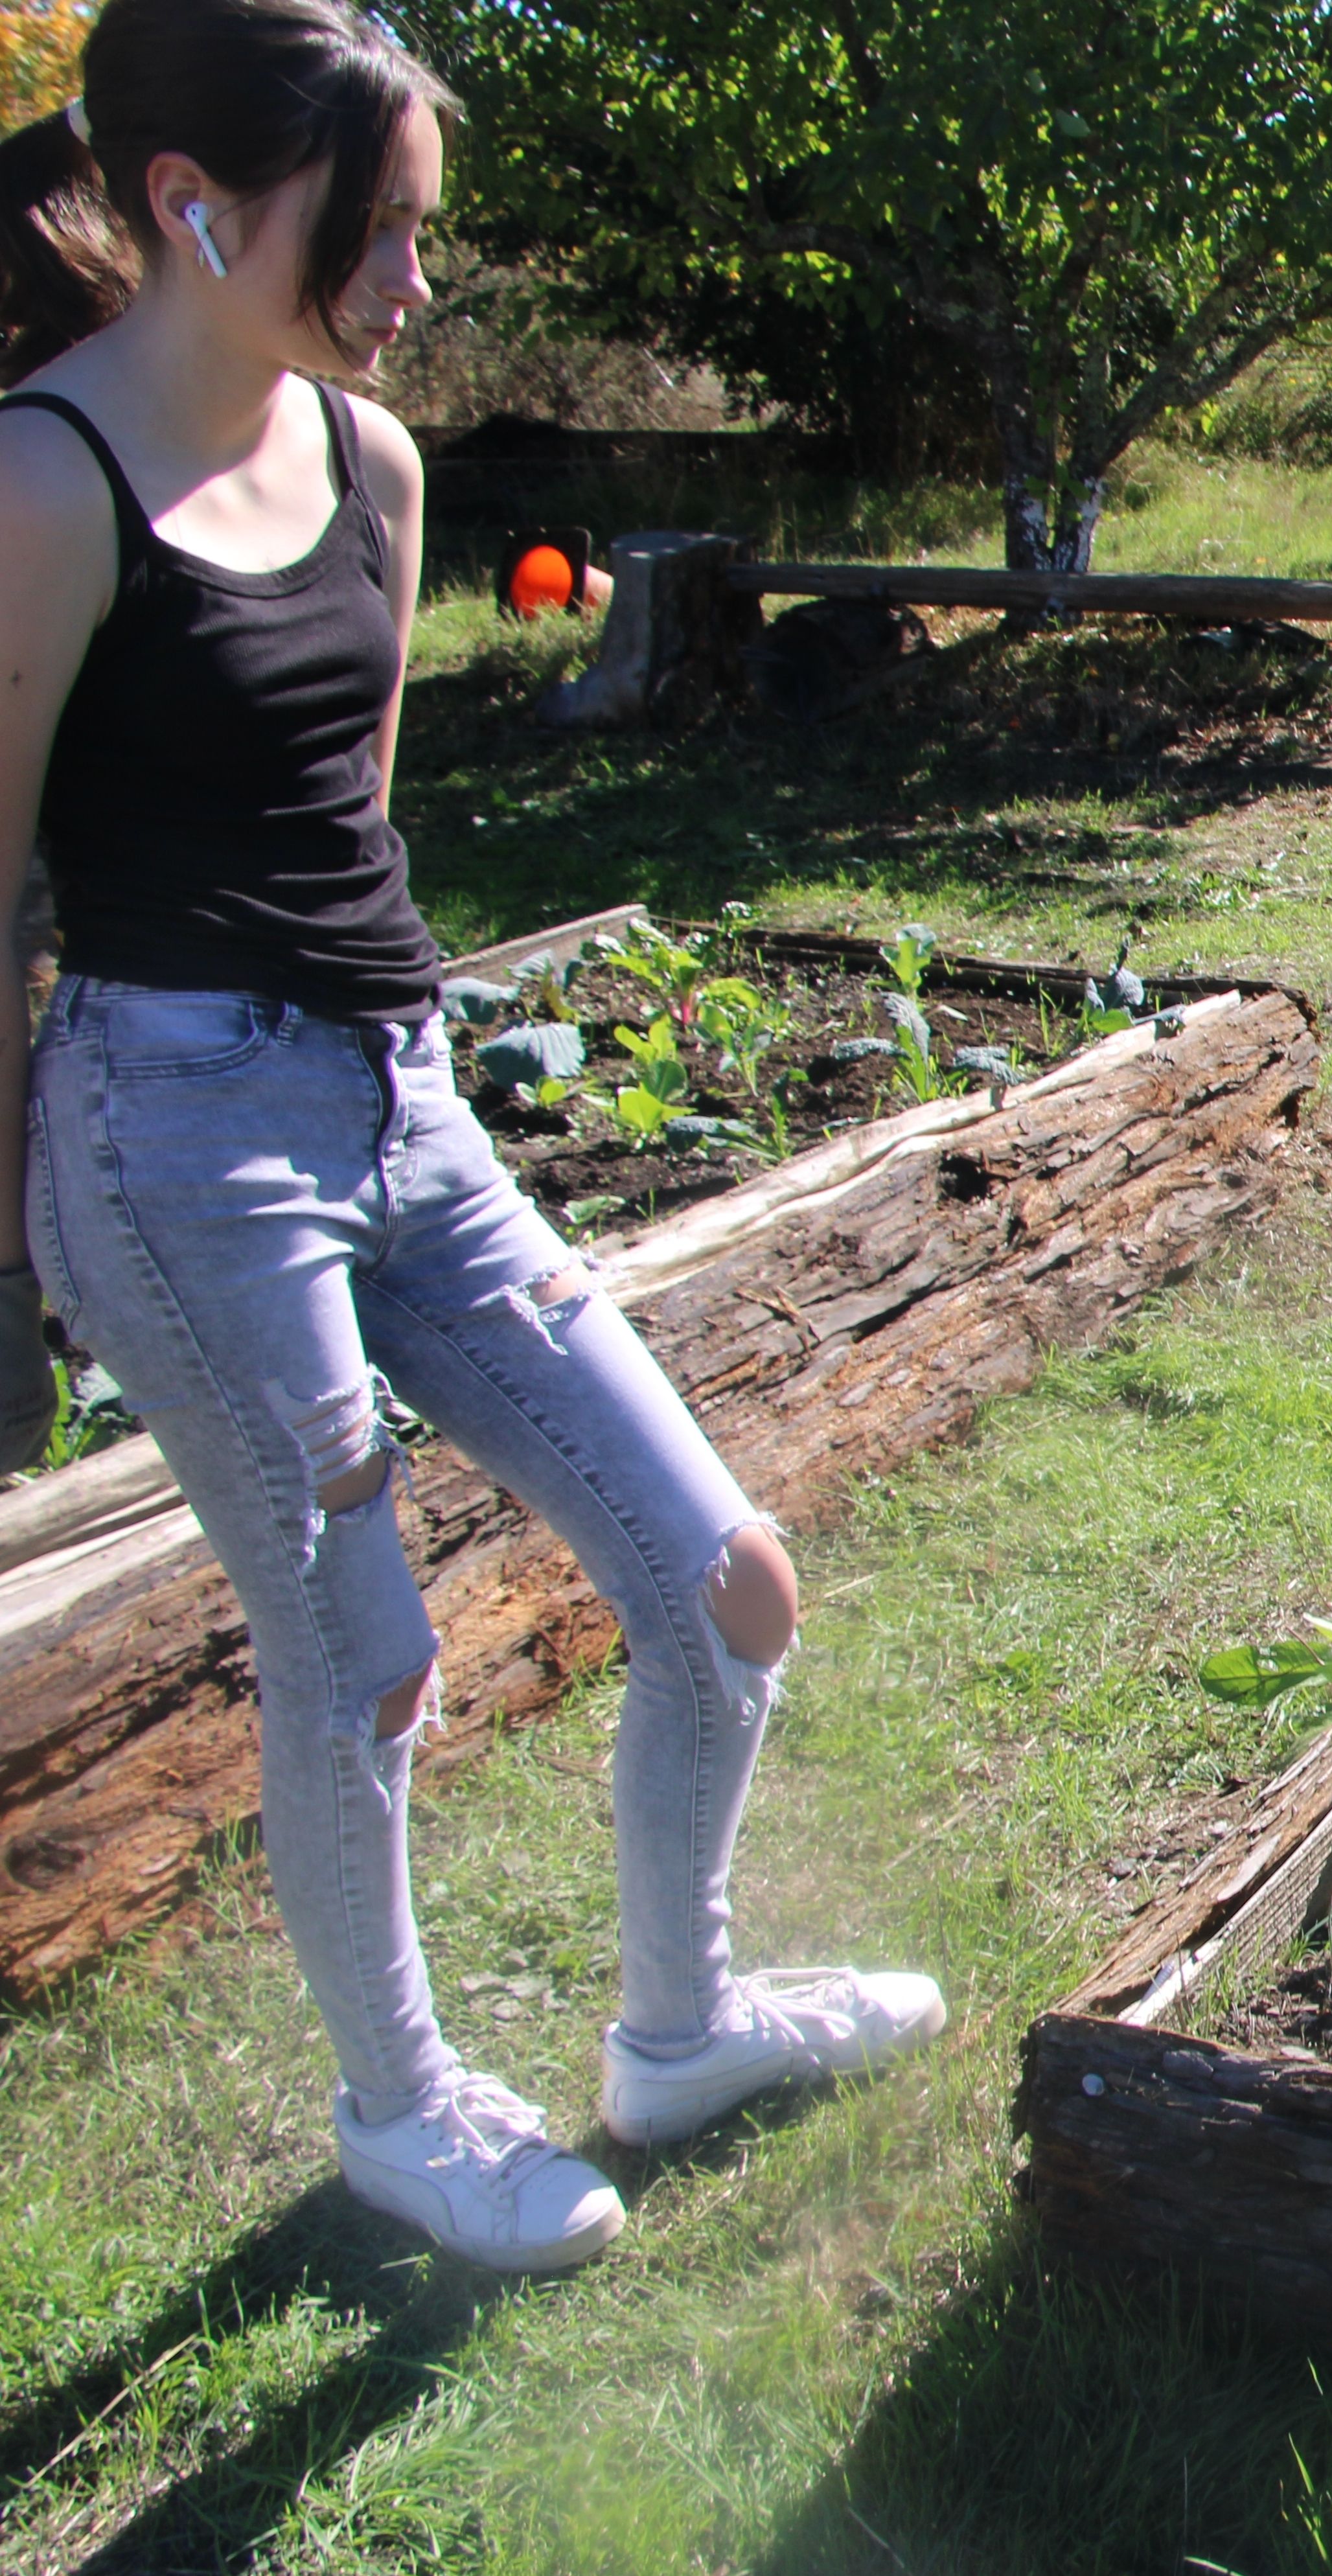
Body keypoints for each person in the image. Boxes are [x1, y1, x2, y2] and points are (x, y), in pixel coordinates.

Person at [0, 0, 944, 2273]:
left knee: (724, 1579)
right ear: (193, 207)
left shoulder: (380, 468)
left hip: (400, 1096)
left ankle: (682, 2029)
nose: (419, 286)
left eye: (427, 230)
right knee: (368, 1658)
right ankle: (402, 2114)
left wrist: (395, 1084)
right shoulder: (42, 484)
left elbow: (351, 826)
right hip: (172, 1130)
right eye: (382, 232)